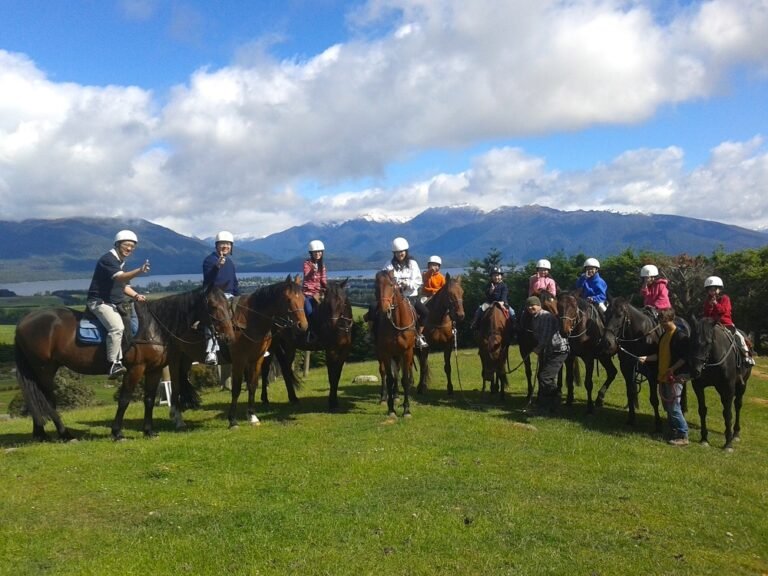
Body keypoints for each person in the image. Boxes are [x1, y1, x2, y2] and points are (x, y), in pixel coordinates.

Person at [86, 229, 150, 379]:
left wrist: (136, 295)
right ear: (117, 244)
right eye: (126, 245)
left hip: (114, 303)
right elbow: (120, 278)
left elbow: (124, 286)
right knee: (117, 328)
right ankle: (114, 363)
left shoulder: (120, 263)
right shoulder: (108, 260)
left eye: (132, 246)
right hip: (100, 302)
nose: (129, 248)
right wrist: (139, 270)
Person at [638, 308, 690, 445]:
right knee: (667, 406)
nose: (661, 324)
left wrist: (672, 369)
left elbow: (685, 357)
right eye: (660, 322)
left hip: (675, 377)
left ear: (670, 320)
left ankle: (683, 435)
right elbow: (659, 355)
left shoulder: (680, 336)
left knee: (673, 406)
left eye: (663, 322)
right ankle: (674, 431)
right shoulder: (664, 335)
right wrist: (646, 358)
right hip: (663, 377)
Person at [382, 237, 429, 348]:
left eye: (402, 251)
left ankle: (418, 335)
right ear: (394, 253)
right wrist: (395, 286)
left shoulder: (413, 264)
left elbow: (418, 281)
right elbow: (384, 279)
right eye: (397, 252)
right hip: (394, 298)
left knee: (425, 313)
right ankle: (376, 335)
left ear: (406, 251)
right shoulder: (388, 264)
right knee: (376, 310)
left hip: (411, 297)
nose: (400, 254)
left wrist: (407, 284)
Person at [202, 231, 240, 365]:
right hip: (214, 296)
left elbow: (234, 282)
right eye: (222, 243)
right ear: (217, 245)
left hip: (230, 296)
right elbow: (208, 279)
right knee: (213, 319)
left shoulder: (230, 262)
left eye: (228, 244)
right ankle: (211, 351)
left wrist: (239, 297)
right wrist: (217, 266)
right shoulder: (209, 260)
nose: (225, 246)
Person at [526, 295, 569, 414]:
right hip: (549, 350)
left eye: (533, 305)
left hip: (558, 350)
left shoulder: (545, 316)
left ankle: (554, 401)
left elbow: (545, 335)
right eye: (528, 306)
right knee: (546, 377)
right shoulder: (535, 317)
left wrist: (538, 348)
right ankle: (549, 406)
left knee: (545, 377)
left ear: (539, 305)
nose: (530, 307)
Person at [702, 276, 754, 365]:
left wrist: (715, 304)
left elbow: (723, 311)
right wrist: (710, 306)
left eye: (714, 289)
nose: (712, 292)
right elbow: (706, 314)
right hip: (712, 324)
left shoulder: (725, 298)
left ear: (719, 289)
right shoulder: (707, 301)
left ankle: (747, 356)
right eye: (710, 290)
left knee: (740, 338)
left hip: (726, 324)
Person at [302, 239, 328, 341]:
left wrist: (328, 288)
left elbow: (323, 279)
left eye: (319, 251)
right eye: (315, 252)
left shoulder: (322, 265)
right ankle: (310, 332)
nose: (318, 254)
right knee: (309, 311)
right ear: (311, 253)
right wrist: (313, 270)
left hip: (319, 293)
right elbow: (307, 276)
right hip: (307, 294)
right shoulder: (307, 264)